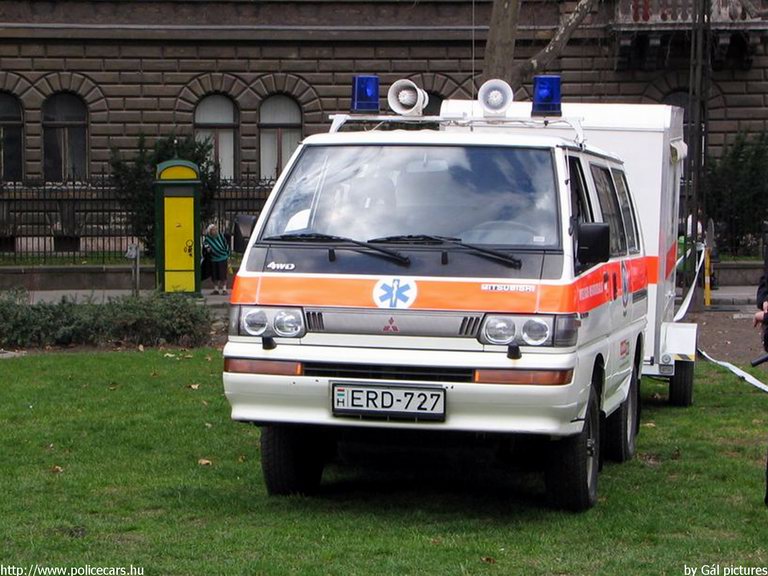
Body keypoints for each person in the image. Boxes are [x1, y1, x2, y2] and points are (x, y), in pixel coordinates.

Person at [203, 223, 231, 295]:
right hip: (214, 259)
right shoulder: (207, 239)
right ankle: (216, 289)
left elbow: (226, 245)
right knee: (214, 275)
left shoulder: (221, 236)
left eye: (216, 229)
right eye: (213, 230)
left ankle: (224, 289)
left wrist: (228, 255)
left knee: (223, 275)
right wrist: (208, 250)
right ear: (210, 231)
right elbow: (206, 248)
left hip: (223, 258)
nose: (215, 231)